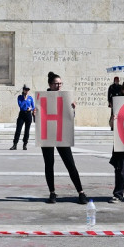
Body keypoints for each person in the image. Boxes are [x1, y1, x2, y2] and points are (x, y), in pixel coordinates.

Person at [39, 72, 88, 204]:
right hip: (47, 133)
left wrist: (72, 109)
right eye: (56, 83)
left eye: (60, 83)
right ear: (50, 84)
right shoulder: (42, 98)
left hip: (61, 133)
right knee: (49, 164)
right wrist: (35, 113)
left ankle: (81, 192)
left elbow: (69, 118)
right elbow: (38, 119)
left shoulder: (65, 97)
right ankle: (52, 193)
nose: (59, 86)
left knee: (70, 164)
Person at [11, 85, 34, 150]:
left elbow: (33, 106)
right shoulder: (20, 97)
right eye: (25, 90)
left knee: (27, 130)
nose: (27, 91)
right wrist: (25, 99)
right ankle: (15, 144)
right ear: (23, 90)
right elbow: (20, 105)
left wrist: (31, 109)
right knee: (18, 129)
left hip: (28, 114)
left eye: (28, 90)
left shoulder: (30, 98)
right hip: (22, 114)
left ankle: (25, 144)